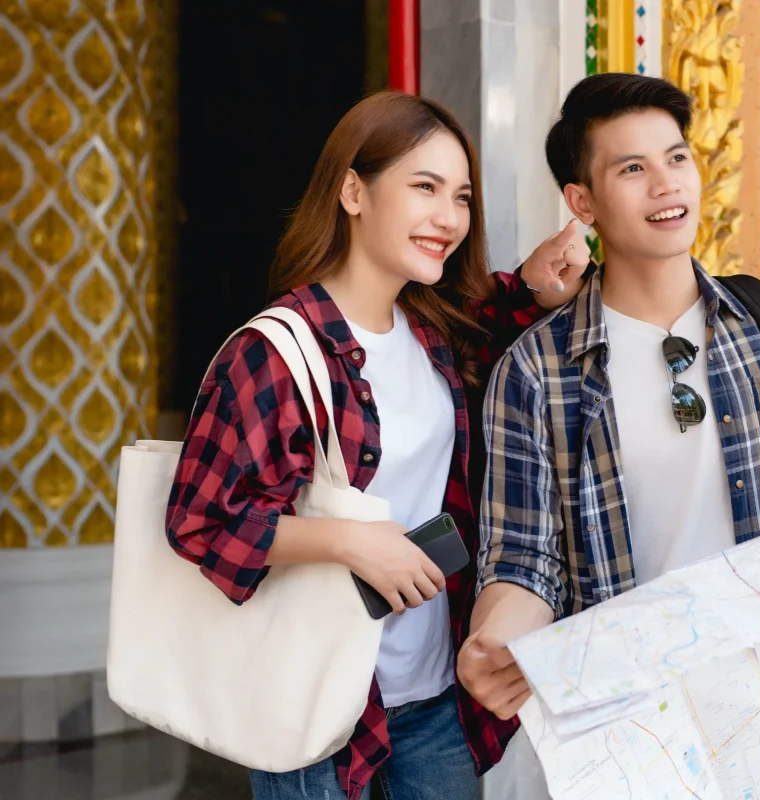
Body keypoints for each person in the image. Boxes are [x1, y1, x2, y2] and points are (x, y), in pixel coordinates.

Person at [165, 91, 590, 800]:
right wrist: (352, 543)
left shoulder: (434, 333)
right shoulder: (275, 351)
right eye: (424, 187)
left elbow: (495, 320)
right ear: (353, 191)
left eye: (461, 196)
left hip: (435, 700)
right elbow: (201, 521)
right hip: (319, 706)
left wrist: (538, 287)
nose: (449, 217)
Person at [460, 74, 760, 800]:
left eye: (677, 158)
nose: (666, 184)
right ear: (582, 202)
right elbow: (525, 556)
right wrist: (496, 637)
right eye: (632, 168)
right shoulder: (537, 370)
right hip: (638, 736)